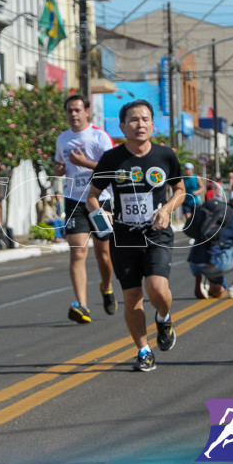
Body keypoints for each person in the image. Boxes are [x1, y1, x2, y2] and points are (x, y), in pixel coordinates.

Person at [87, 100, 186, 373]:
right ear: (122, 126)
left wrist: (167, 208)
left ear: (153, 125)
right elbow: (92, 196)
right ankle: (143, 350)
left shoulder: (165, 156)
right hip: (124, 236)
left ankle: (164, 318)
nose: (139, 124)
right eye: (133, 120)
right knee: (131, 297)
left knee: (157, 288)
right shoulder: (111, 159)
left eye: (145, 119)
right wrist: (101, 213)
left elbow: (180, 189)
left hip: (156, 232)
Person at [54, 93, 116, 322]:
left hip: (100, 200)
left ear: (86, 111)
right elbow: (59, 165)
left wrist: (85, 163)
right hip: (74, 200)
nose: (73, 114)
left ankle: (107, 287)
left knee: (104, 254)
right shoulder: (62, 139)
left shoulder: (100, 137)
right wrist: (59, 169)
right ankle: (82, 305)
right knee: (78, 252)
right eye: (69, 110)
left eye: (77, 110)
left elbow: (110, 169)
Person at [189, 189, 233, 300]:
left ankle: (204, 281)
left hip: (194, 260)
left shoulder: (217, 209)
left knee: (220, 292)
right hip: (214, 262)